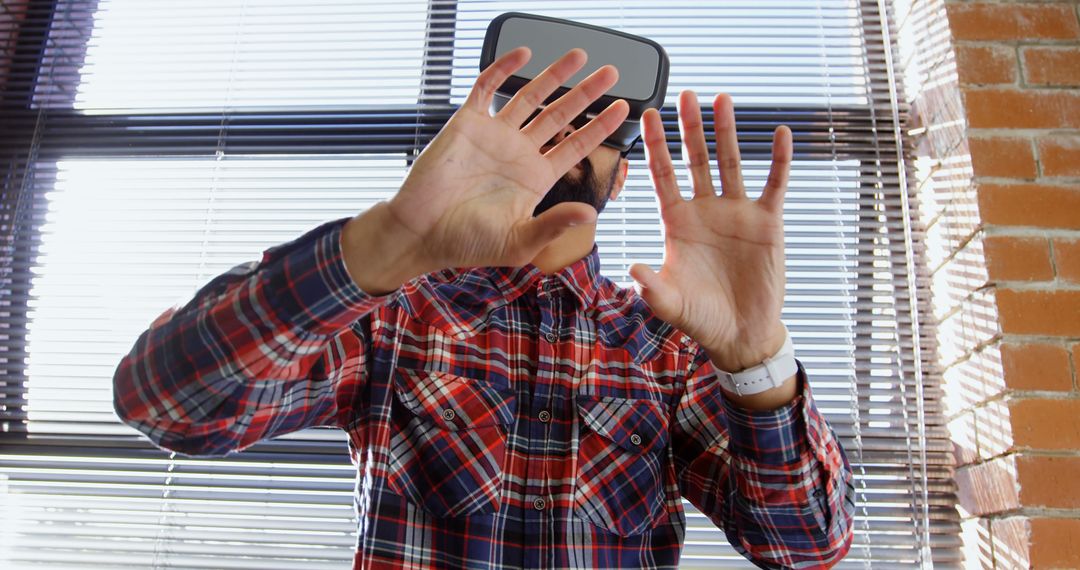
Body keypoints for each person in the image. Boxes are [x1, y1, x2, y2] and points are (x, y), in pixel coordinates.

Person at [113, 46, 854, 569]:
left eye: (593, 127)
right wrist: (384, 242)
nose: (567, 132)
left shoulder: (668, 347)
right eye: (540, 117)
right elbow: (170, 405)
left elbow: (805, 544)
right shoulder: (398, 314)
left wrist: (757, 358)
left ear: (619, 179)